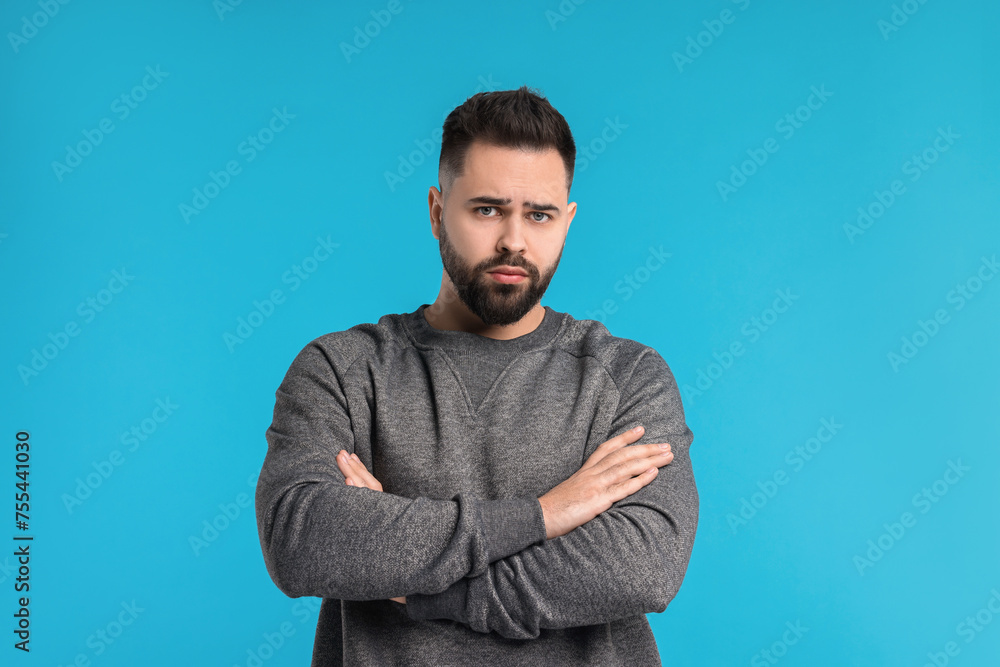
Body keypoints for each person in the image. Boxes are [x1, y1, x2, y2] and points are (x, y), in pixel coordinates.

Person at [255, 85, 698, 666]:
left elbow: (640, 569)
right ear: (438, 212)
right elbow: (301, 540)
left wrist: (415, 584)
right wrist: (544, 514)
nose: (514, 240)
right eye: (487, 209)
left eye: (539, 215)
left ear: (566, 222)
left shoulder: (628, 377)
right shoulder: (342, 371)